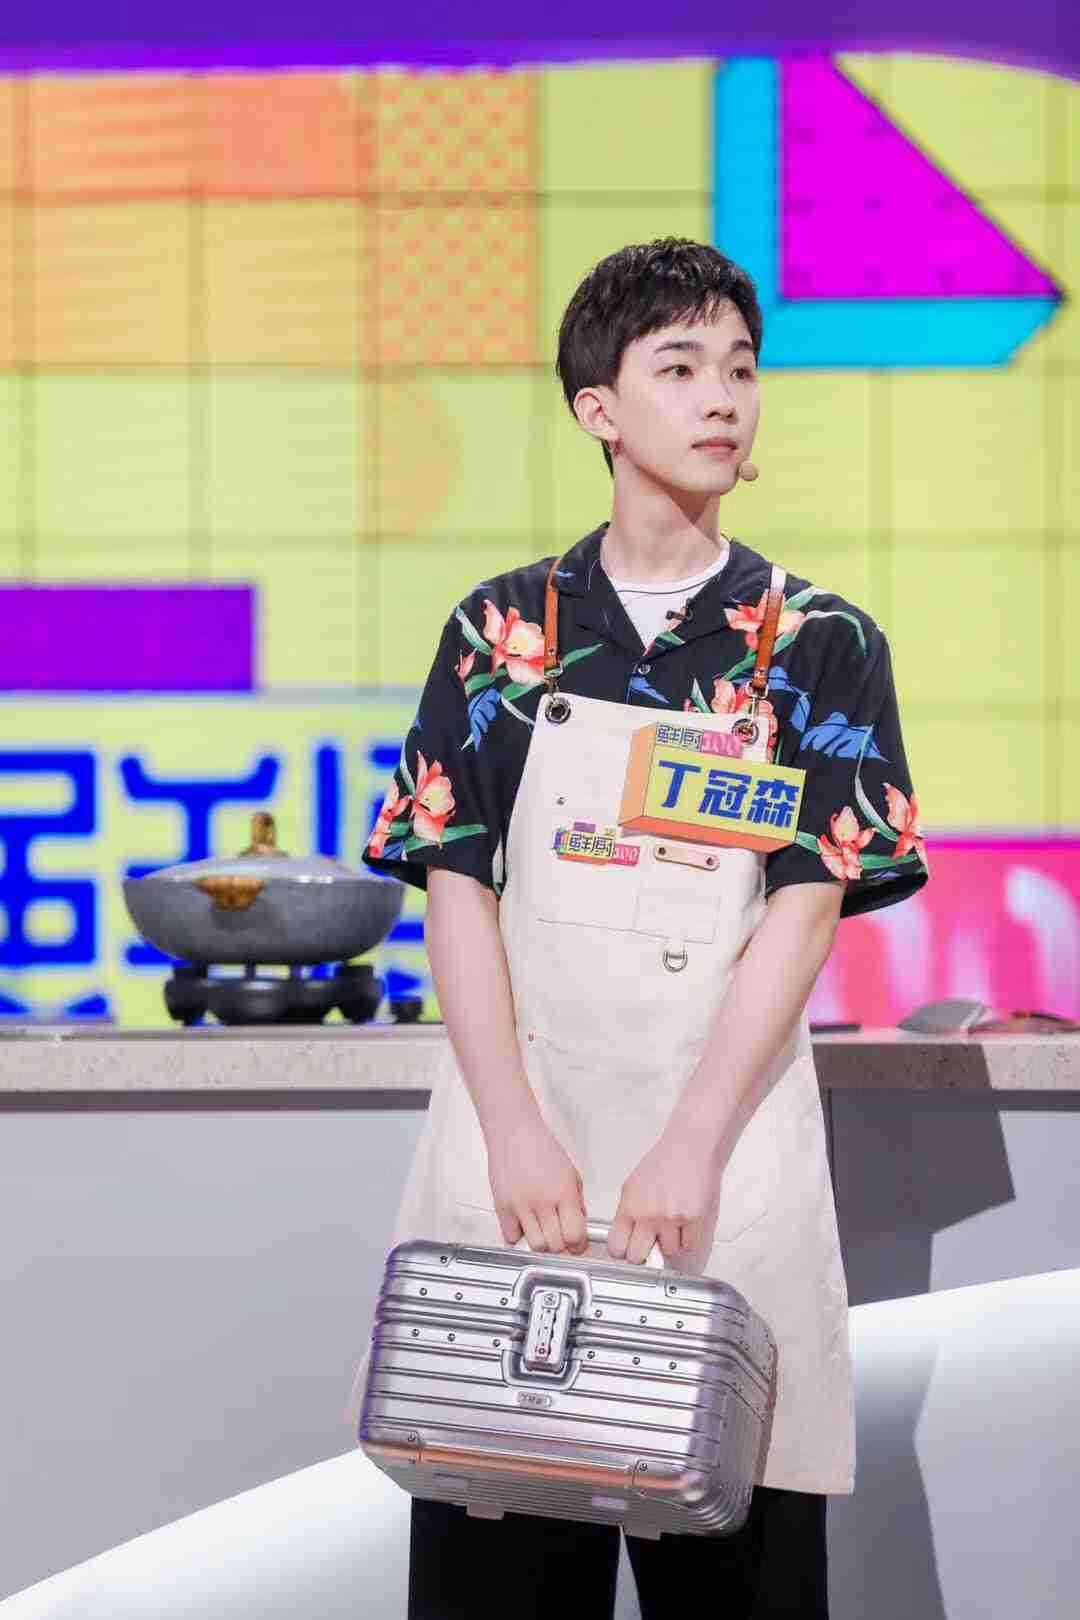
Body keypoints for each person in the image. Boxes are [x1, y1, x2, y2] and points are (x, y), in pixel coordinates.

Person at [358, 238, 929, 1618]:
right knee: (501, 1556)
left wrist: (690, 1143)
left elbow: (808, 902)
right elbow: (455, 884)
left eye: (741, 367)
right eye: (679, 368)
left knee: (736, 1573)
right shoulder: (501, 630)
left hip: (725, 1154)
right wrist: (513, 1128)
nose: (721, 397)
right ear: (597, 408)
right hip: (526, 1154)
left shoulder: (819, 641)